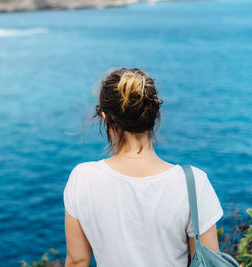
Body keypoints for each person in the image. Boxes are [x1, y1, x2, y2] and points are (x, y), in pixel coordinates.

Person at [63, 67, 224, 267]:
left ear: (105, 118)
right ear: (154, 115)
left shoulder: (82, 178)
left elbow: (77, 260)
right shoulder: (194, 183)